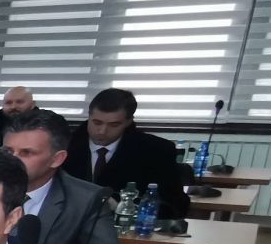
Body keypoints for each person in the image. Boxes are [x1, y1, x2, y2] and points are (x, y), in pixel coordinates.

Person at [2, 111, 122, 244]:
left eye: (26, 153)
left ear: (57, 159)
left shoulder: (86, 199)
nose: (12, 161)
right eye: (8, 151)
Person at [60, 87, 188, 219]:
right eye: (97, 123)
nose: (102, 131)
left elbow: (175, 205)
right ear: (89, 115)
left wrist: (124, 207)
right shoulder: (63, 145)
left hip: (125, 227)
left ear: (128, 121)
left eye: (114, 125)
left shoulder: (157, 151)